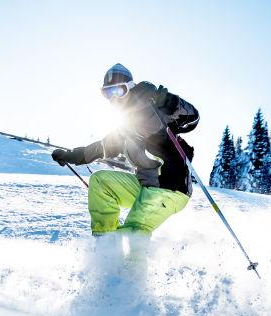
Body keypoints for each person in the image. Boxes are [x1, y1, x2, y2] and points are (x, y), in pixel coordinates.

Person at [51, 63, 199, 236]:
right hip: (146, 185)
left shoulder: (154, 107)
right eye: (107, 93)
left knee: (133, 233)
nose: (113, 98)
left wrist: (170, 102)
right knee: (100, 182)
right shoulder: (125, 128)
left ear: (130, 88)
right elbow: (100, 148)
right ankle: (105, 243)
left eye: (118, 91)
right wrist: (70, 156)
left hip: (170, 187)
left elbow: (192, 118)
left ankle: (130, 261)